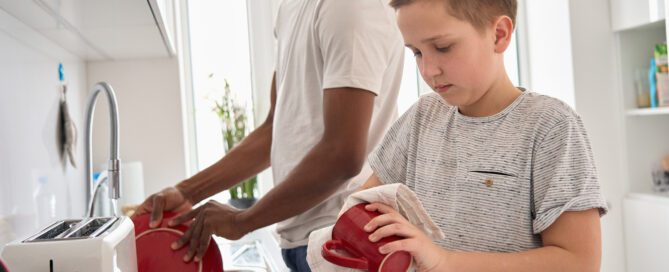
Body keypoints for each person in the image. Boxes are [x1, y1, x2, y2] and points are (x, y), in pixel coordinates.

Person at [133, 0, 404, 270]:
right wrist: (187, 192)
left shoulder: (351, 7)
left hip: (343, 240)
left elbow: (342, 156)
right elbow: (274, 131)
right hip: (302, 242)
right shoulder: (292, 8)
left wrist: (244, 220)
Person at [357, 0, 608, 271]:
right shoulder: (422, 116)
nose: (428, 70)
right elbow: (363, 203)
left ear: (499, 34)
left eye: (443, 47)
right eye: (417, 52)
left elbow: (579, 262)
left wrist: (443, 261)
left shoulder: (550, 126)